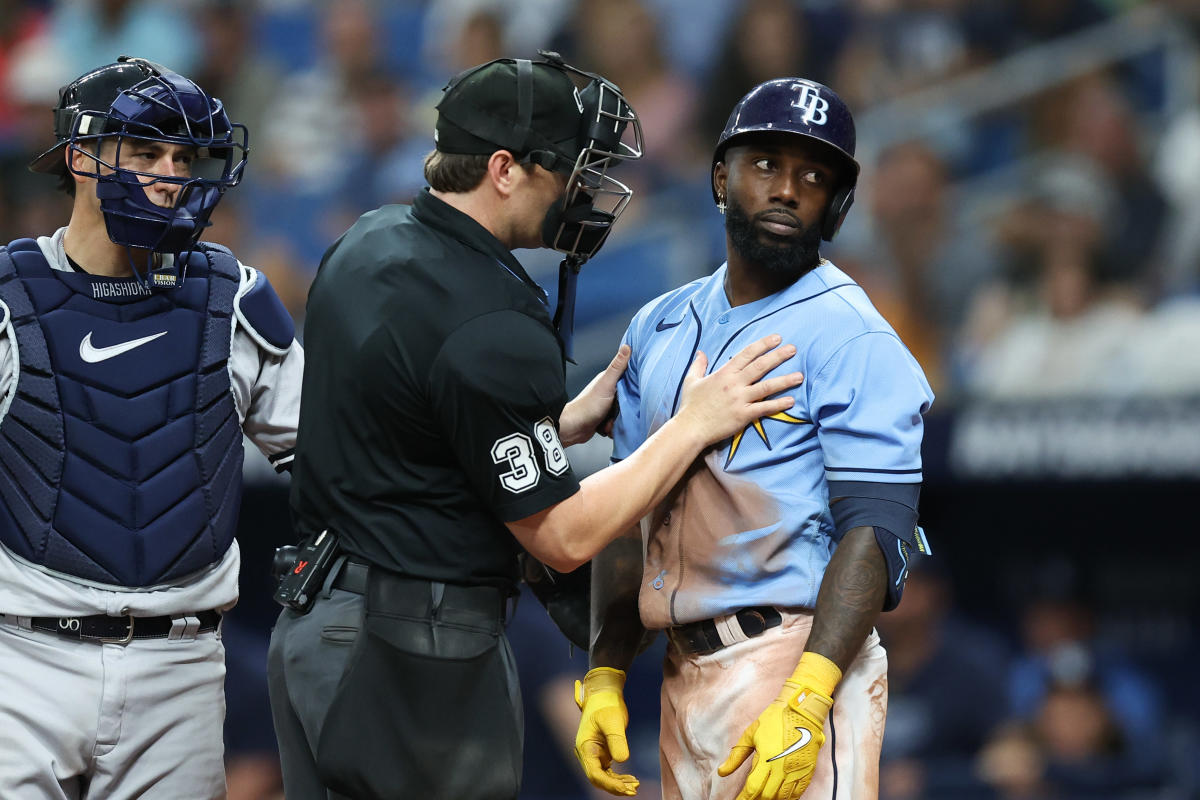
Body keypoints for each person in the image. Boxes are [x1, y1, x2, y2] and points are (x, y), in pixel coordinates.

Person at [267, 53, 805, 800]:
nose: (584, 191)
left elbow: (423, 422)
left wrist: (553, 423)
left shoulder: (368, 242)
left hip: (316, 629)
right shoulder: (490, 317)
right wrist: (692, 424)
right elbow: (561, 536)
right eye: (571, 169)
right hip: (412, 653)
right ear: (503, 169)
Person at [574, 78, 935, 800]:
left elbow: (877, 531)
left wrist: (809, 694)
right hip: (684, 671)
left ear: (836, 204)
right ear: (721, 176)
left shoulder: (853, 335)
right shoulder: (659, 325)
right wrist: (609, 666)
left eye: (813, 176)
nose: (788, 189)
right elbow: (626, 512)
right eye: (766, 163)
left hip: (795, 657)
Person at [0, 56, 302, 798]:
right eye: (144, 151)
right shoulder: (8, 299)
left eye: (183, 155)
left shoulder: (234, 298)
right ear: (80, 155)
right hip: (21, 658)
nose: (170, 172)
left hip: (182, 666)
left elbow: (331, 458)